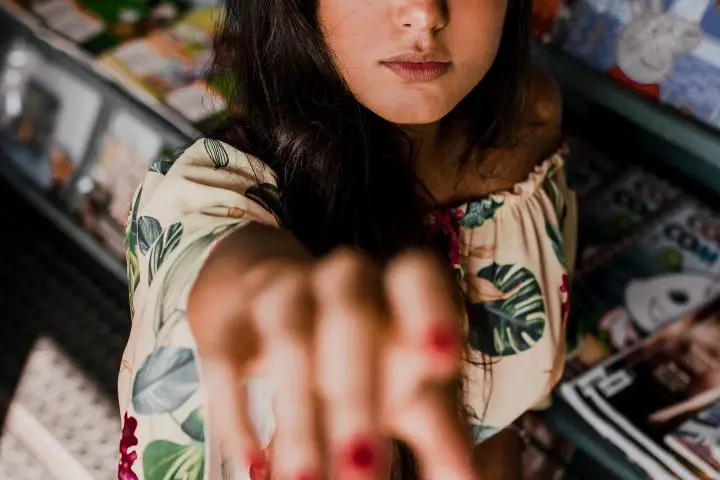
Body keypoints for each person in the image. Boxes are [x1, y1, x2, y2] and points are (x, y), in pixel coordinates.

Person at [117, 0, 577, 479]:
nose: (424, 12)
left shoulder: (530, 120)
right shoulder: (213, 192)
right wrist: (270, 292)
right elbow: (222, 270)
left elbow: (503, 420)